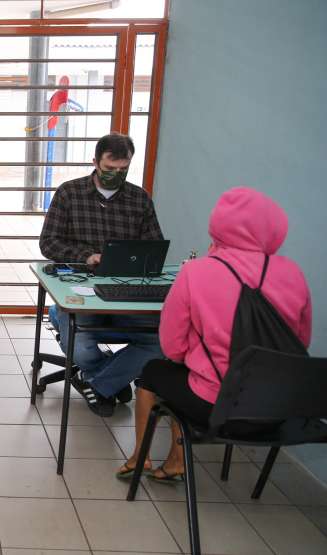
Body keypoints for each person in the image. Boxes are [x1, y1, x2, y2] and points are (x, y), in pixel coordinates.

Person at [117, 187, 312, 483]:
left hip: (217, 407)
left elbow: (172, 347)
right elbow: (300, 342)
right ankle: (174, 461)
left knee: (155, 371)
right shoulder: (292, 272)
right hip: (280, 407)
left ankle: (140, 458)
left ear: (218, 225)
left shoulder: (196, 271)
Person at [39, 132, 165, 416]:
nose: (116, 175)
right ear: (95, 162)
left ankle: (97, 381)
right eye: (109, 169)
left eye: (123, 169)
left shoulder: (139, 199)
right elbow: (48, 243)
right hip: (83, 286)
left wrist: (137, 262)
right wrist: (87, 257)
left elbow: (154, 246)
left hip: (126, 287)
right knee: (80, 346)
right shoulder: (69, 193)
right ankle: (106, 377)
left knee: (160, 342)